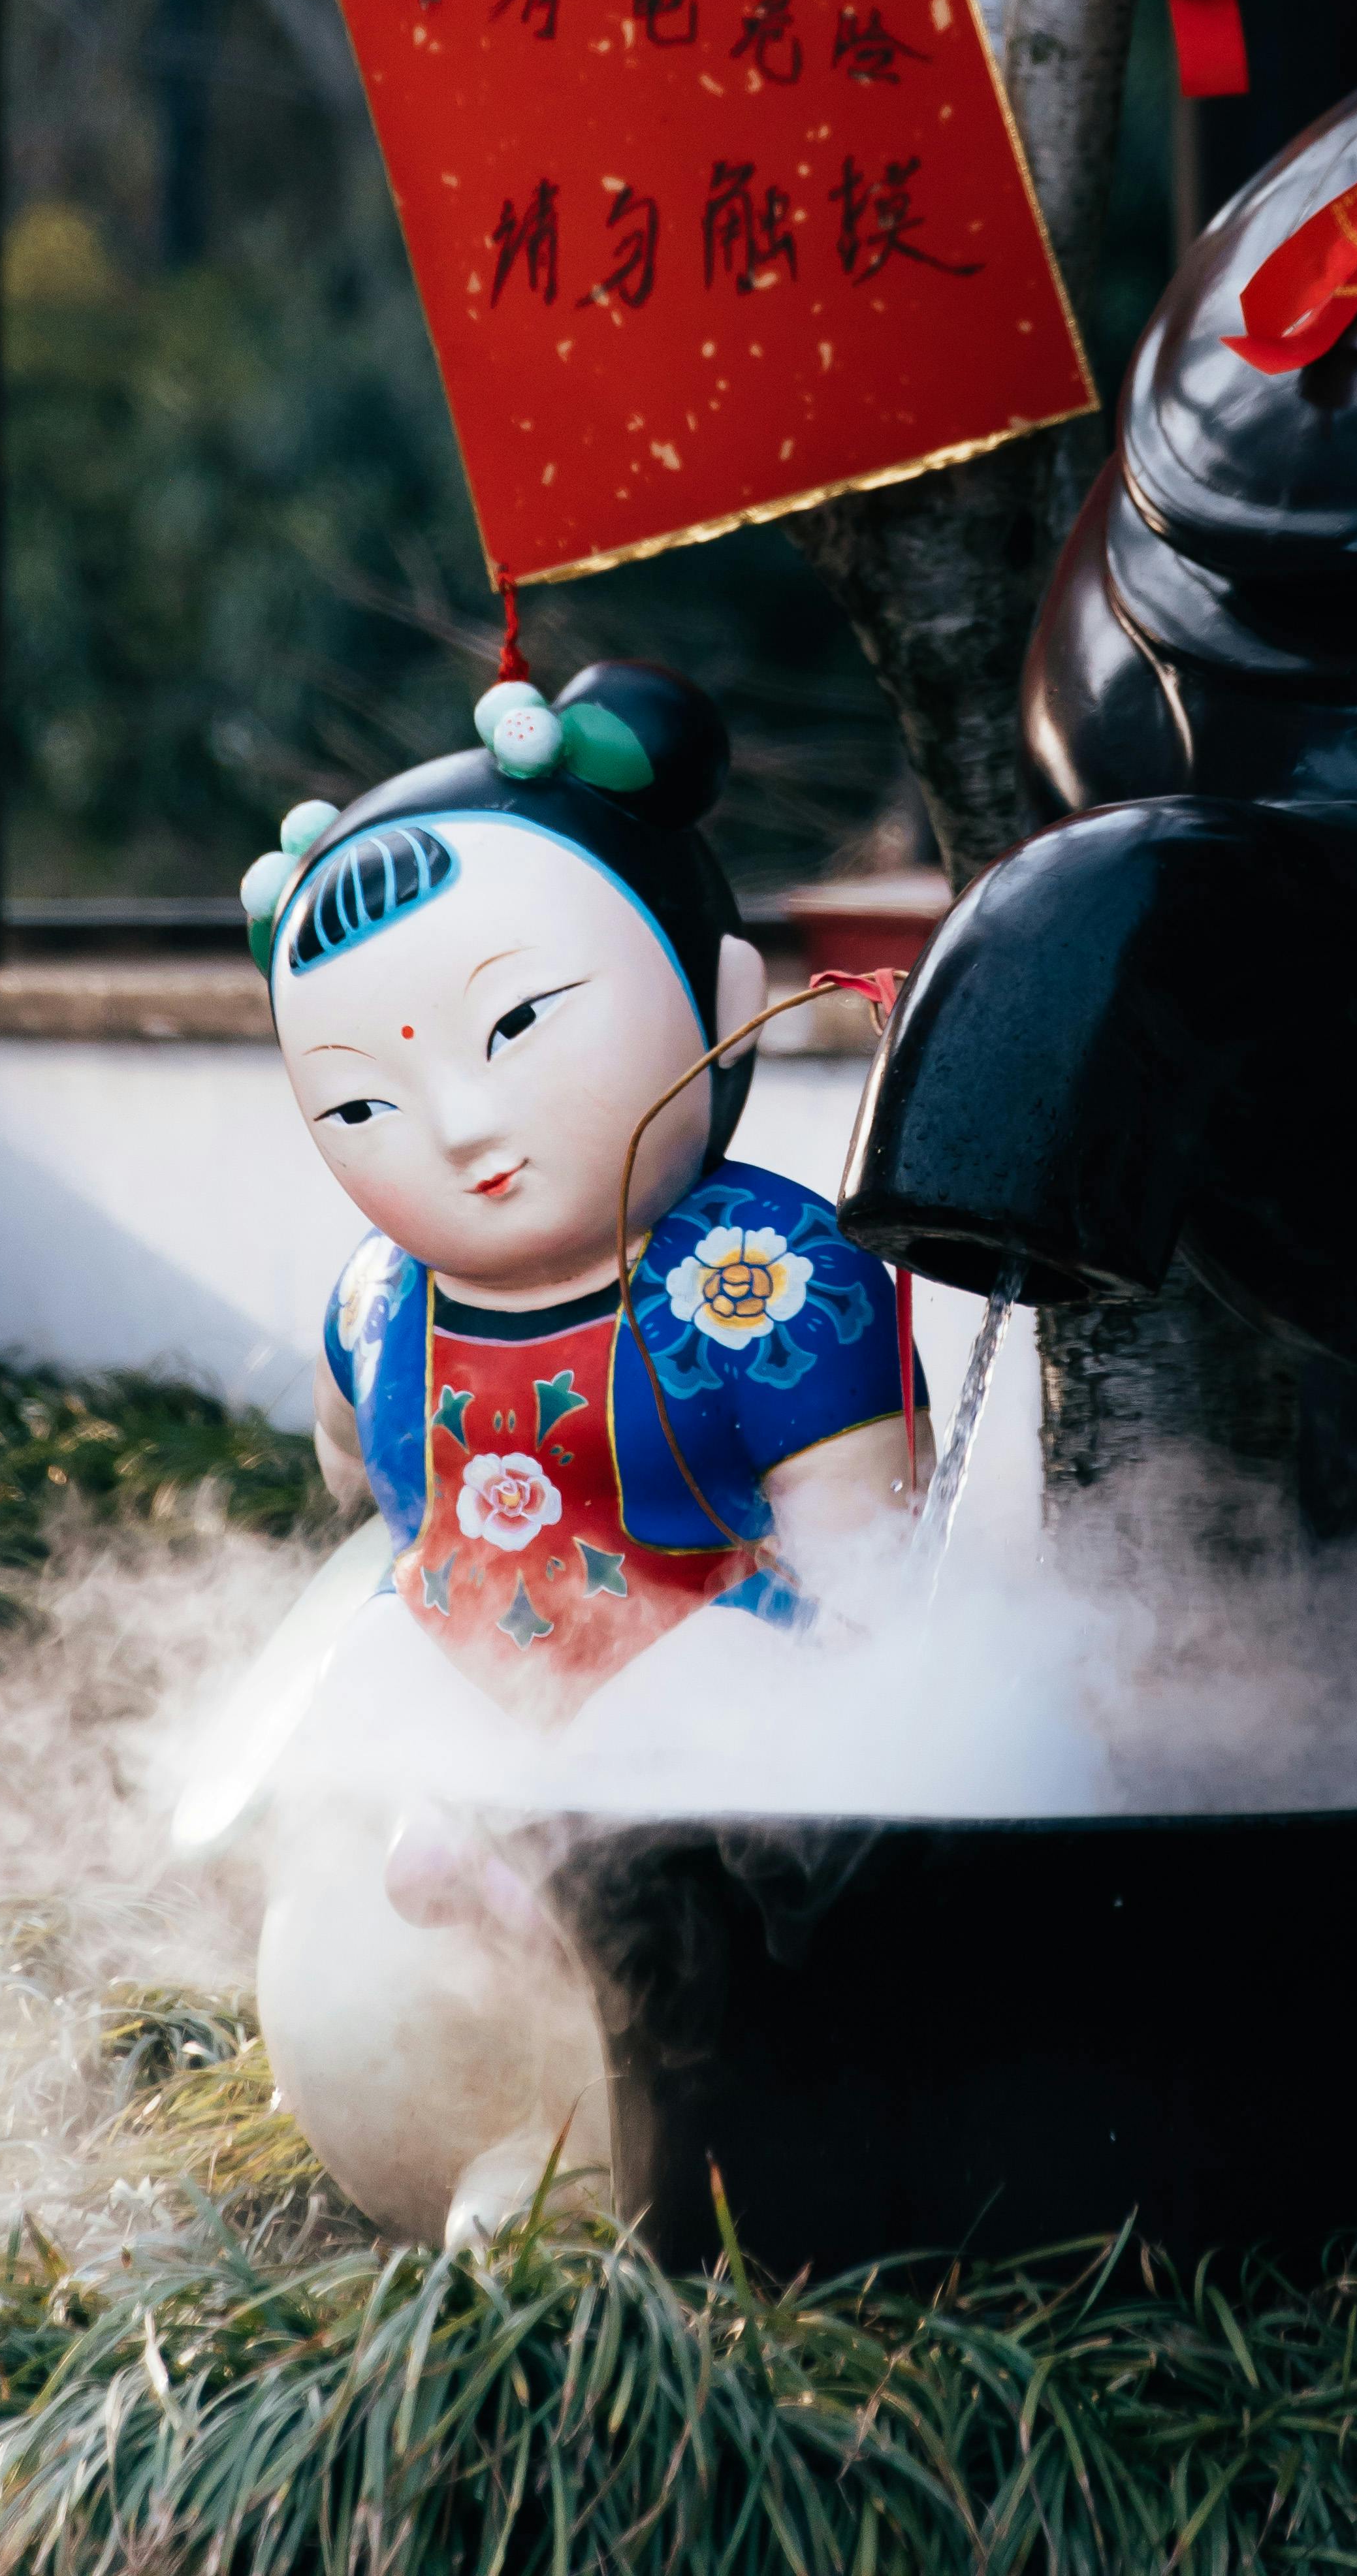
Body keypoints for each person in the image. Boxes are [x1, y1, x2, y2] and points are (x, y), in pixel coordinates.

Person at [225, 654, 926, 2236]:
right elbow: (357, 1479)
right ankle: (392, 2059)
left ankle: (601, 2115)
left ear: (727, 1003)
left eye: (516, 1027)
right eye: (360, 1104)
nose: (456, 1128)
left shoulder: (770, 1276)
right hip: (460, 1655)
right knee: (348, 1726)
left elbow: (859, 1545)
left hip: (696, 1653)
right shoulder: (381, 1295)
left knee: (710, 1729)